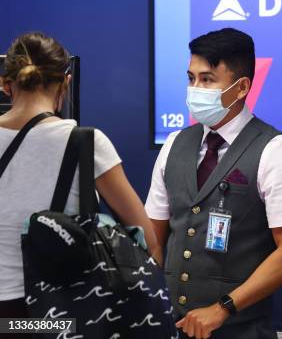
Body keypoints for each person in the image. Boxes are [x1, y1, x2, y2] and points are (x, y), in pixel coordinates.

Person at [145, 28, 282, 339]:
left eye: (207, 80)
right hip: (170, 329)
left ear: (241, 87)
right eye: (191, 78)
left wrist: (223, 308)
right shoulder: (174, 144)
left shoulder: (277, 151)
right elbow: (153, 237)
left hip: (241, 330)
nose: (195, 89)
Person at [0, 32, 162, 334]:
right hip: (59, 311)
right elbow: (147, 239)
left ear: (4, 84)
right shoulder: (86, 143)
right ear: (67, 81)